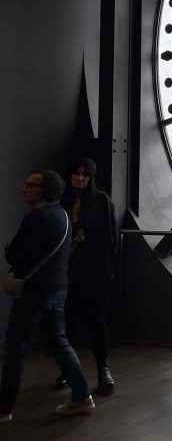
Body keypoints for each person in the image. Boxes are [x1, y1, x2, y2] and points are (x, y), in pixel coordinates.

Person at [0, 170, 94, 421]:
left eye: (31, 185)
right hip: (56, 288)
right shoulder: (62, 215)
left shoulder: (35, 218)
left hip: (33, 292)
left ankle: (4, 408)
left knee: (15, 347)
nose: (24, 188)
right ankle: (82, 395)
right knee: (59, 342)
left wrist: (11, 251)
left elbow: (16, 254)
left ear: (43, 190)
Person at [56, 158, 118, 396]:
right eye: (77, 174)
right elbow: (111, 239)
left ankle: (71, 370)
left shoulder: (64, 200)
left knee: (80, 321)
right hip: (88, 271)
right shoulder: (101, 201)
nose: (80, 178)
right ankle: (102, 371)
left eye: (84, 175)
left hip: (79, 271)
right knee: (92, 321)